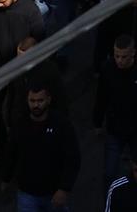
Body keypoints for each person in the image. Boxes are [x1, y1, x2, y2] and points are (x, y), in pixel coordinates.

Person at [92, 34, 137, 193]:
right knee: (109, 174)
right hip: (115, 128)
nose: (120, 60)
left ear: (133, 53)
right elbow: (101, 96)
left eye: (124, 56)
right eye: (117, 56)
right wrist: (97, 121)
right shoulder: (108, 69)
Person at [5, 82, 80, 212]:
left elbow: (72, 157)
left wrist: (64, 188)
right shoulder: (20, 125)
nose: (36, 105)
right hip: (27, 192)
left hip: (54, 192)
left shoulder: (61, 124)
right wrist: (5, 177)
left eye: (40, 100)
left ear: (48, 100)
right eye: (32, 100)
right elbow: (11, 152)